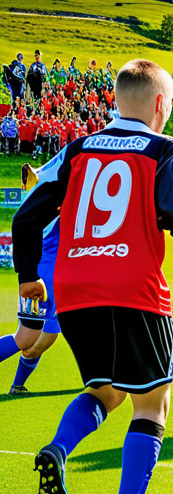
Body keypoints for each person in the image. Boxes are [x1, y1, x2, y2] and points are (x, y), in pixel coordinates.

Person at [13, 59, 173, 494]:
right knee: (152, 403)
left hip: (73, 290)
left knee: (104, 391)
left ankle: (58, 448)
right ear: (159, 104)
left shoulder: (77, 149)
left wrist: (28, 277)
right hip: (134, 288)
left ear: (115, 99)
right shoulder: (164, 148)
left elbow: (26, 217)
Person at [0, 163, 62, 393]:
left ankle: (18, 385)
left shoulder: (38, 196)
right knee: (32, 339)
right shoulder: (58, 193)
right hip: (50, 275)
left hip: (39, 272)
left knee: (29, 339)